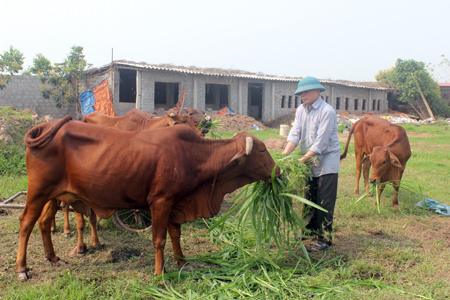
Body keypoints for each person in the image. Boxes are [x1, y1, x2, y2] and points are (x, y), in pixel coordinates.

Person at [282, 76, 340, 252]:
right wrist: (285, 155)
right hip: (309, 158)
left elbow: (321, 144)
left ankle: (325, 239)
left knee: (324, 200)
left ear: (318, 91)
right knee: (309, 196)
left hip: (326, 160)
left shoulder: (326, 111)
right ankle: (309, 230)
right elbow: (295, 132)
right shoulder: (301, 110)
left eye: (306, 91)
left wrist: (300, 160)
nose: (303, 95)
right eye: (301, 92)